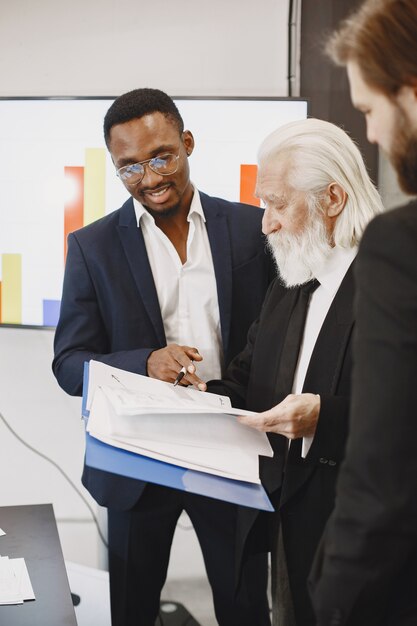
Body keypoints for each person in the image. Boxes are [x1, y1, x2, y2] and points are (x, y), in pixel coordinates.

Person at [52, 88, 274, 626]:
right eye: (129, 167)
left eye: (161, 157)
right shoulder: (92, 246)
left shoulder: (252, 229)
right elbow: (68, 363)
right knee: (132, 607)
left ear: (188, 143)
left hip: (233, 442)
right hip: (137, 454)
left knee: (244, 605)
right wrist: (144, 361)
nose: (148, 179)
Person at [193, 118, 383, 626]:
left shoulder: (394, 283)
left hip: (363, 540)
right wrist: (194, 395)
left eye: (277, 205)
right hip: (283, 523)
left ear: (333, 200)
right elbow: (249, 378)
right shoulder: (292, 275)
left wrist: (325, 418)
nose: (266, 224)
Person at [308, 2, 417, 625]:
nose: (371, 134)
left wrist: (335, 598)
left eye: (371, 110)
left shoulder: (397, 247)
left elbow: (385, 470)